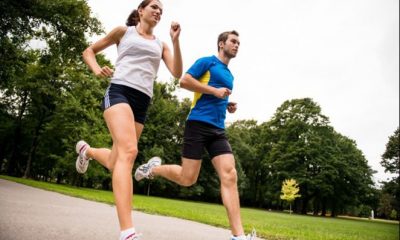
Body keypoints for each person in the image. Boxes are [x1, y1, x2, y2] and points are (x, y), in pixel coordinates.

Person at [135, 30, 256, 240]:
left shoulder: (230, 75)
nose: (237, 45)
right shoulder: (206, 62)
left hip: (218, 129)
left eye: (239, 43)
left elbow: (217, 95)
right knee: (187, 178)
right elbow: (184, 81)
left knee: (230, 174)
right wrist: (214, 91)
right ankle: (153, 169)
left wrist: (227, 105)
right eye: (233, 41)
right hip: (198, 124)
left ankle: (238, 236)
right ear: (221, 43)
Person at [77, 1, 182, 239]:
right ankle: (128, 233)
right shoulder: (124, 32)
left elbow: (176, 73)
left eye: (161, 10)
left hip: (142, 102)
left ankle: (88, 151)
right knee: (129, 151)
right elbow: (88, 51)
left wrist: (175, 40)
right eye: (154, 6)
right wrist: (96, 70)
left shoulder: (161, 44)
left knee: (117, 161)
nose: (158, 11)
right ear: (140, 11)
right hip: (119, 91)